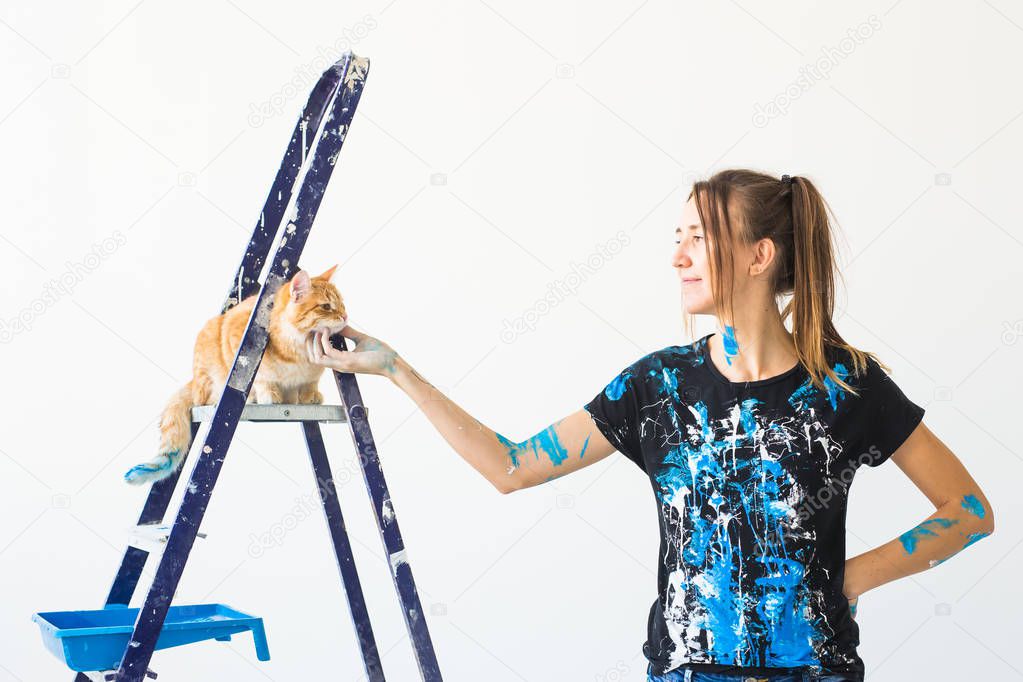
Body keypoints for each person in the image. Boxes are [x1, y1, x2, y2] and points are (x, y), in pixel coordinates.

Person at [304, 169, 994, 682]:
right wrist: (394, 368)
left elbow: (967, 511)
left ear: (760, 255)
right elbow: (510, 467)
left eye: (698, 238)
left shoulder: (845, 385)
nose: (677, 256)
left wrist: (850, 577)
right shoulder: (657, 386)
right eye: (678, 238)